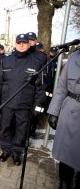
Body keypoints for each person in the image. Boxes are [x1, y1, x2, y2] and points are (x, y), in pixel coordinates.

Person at [0, 34, 46, 165]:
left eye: (24, 43)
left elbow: (40, 87)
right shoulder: (7, 61)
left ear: (29, 44)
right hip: (7, 103)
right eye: (19, 42)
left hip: (25, 104)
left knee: (21, 129)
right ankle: (6, 150)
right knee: (6, 127)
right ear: (15, 44)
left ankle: (16, 152)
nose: (21, 45)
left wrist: (38, 105)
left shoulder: (36, 62)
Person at [47, 47, 80, 189]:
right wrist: (53, 112)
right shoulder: (73, 58)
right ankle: (64, 181)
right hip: (71, 109)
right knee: (66, 151)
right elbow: (61, 87)